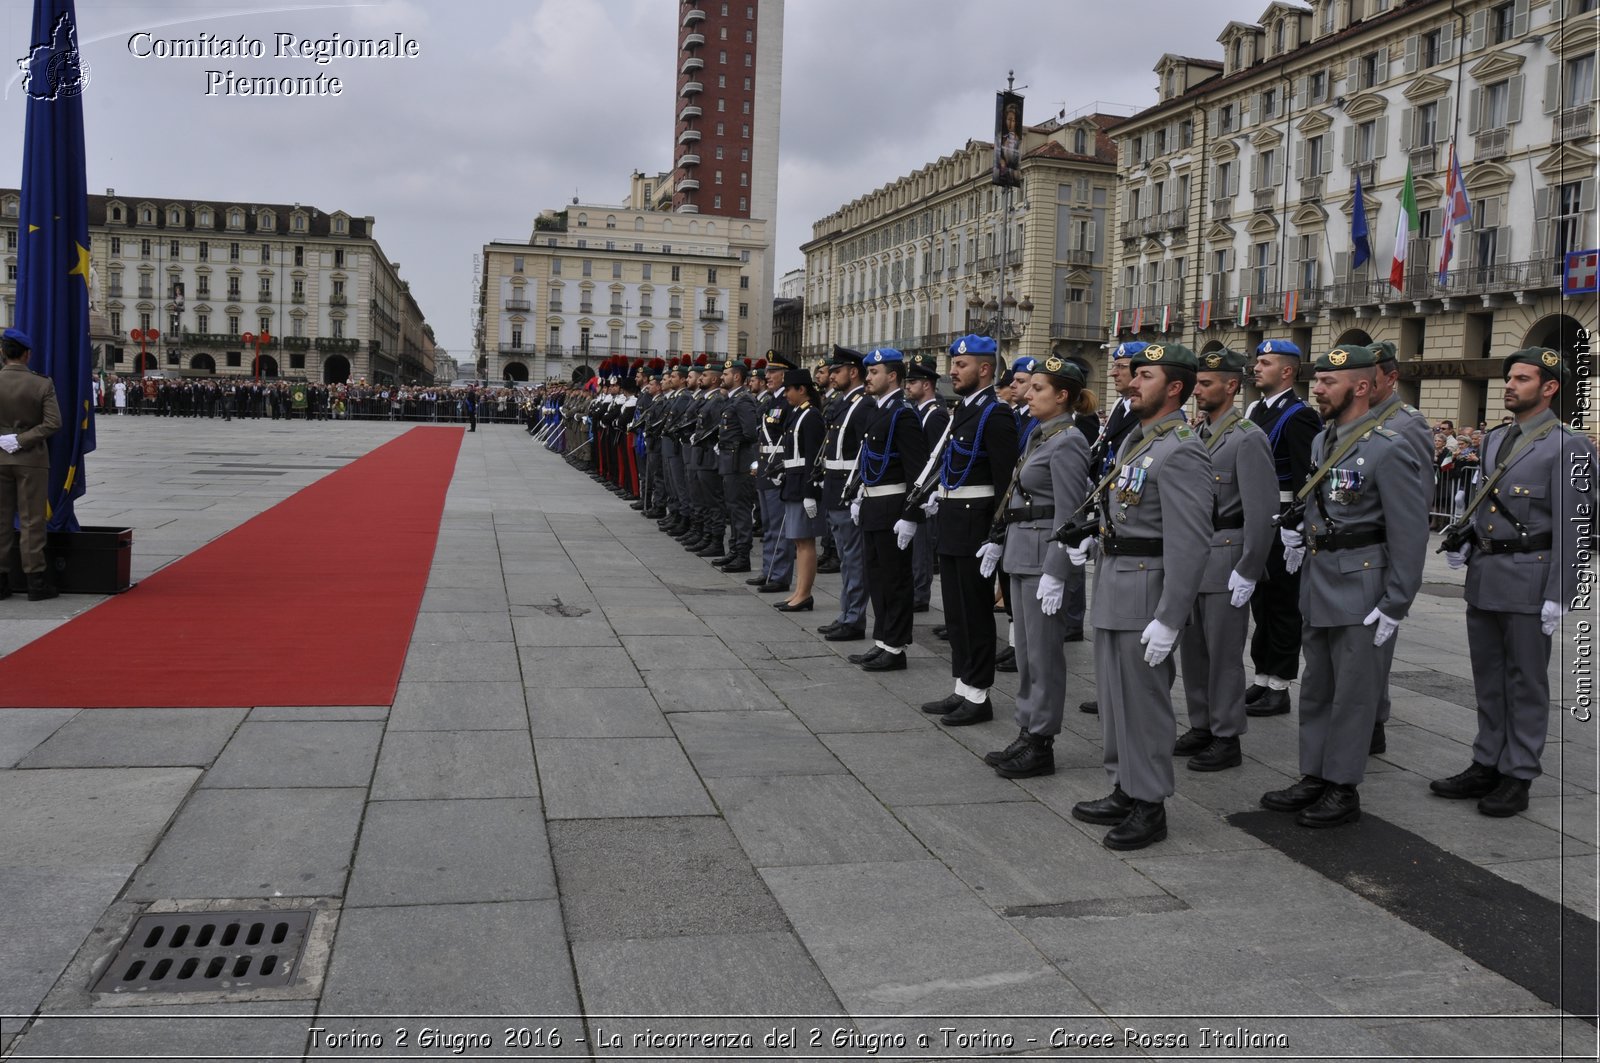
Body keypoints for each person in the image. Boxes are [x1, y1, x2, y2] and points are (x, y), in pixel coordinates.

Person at [1261, 343, 1427, 828]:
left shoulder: (1388, 447)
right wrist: (1298, 533)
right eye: (1315, 381)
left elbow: (1410, 532)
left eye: (1327, 382)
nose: (1316, 389)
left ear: (1359, 386)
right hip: (1320, 579)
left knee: (1354, 694)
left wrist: (1396, 602)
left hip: (1362, 585)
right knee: (1316, 688)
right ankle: (1313, 773)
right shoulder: (1324, 440)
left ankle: (1342, 786)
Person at [1433, 348, 1597, 816]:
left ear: (1549, 388)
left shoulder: (1569, 446)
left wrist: (1560, 595)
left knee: (1525, 682)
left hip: (1530, 578)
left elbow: (1576, 526)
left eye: (1522, 378)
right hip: (1486, 575)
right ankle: (1486, 761)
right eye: (1509, 377)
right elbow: (1489, 502)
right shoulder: (1495, 439)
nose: (1509, 384)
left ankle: (1519, 772)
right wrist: (1466, 539)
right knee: (1488, 678)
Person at [1065, 341, 1212, 851]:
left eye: (1144, 376)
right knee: (1115, 698)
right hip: (1115, 580)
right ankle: (1126, 786)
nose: (1130, 383)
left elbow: (1191, 543)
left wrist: (1171, 617)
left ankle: (1150, 804)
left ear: (1174, 387)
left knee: (1144, 703)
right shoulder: (1141, 441)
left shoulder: (1182, 449)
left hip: (1147, 590)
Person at [980, 355, 1091, 777]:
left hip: (1044, 557)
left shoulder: (1069, 442)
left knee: (1044, 657)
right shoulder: (1042, 437)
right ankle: (1027, 729)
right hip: (1022, 553)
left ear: (1062, 396)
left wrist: (1056, 572)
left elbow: (1069, 516)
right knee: (1026, 654)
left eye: (1038, 388)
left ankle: (1041, 741)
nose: (1028, 393)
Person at [1174, 348, 1277, 772]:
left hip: (1227, 556)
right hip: (1194, 557)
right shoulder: (1196, 434)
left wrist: (1249, 569)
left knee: (1224, 655)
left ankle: (1226, 734)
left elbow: (1262, 511)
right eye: (1197, 383)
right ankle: (1201, 722)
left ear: (1232, 385)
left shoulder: (1247, 437)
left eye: (1206, 384)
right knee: (1194, 653)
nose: (1198, 390)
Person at [918, 334, 1020, 726]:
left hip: (977, 525)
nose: (952, 371)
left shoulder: (996, 414)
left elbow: (1005, 481)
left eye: (961, 365)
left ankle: (979, 696)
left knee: (976, 613)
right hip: (954, 519)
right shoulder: (964, 410)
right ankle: (962, 686)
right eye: (953, 364)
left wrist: (997, 536)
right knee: (957, 613)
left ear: (985, 369)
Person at [1244, 339, 1322, 718]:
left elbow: (1309, 474)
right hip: (1257, 517)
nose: (1257, 367)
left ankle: (1280, 685)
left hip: (1282, 519)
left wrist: (1297, 525)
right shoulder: (1256, 409)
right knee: (1261, 602)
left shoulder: (1299, 415)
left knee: (1283, 604)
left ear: (1287, 371)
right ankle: (1261, 677)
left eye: (1266, 362)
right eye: (1258, 361)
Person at [1366, 340, 1435, 754]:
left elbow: (1417, 501)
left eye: (1368, 379)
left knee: (1374, 647)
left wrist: (1401, 570)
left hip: (1380, 554)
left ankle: (1373, 722)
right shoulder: (1351, 419)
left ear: (1391, 379)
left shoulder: (1407, 424)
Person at [845, 347, 928, 673]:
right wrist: (858, 497)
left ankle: (896, 647)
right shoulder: (876, 410)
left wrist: (910, 515)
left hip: (893, 509)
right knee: (876, 578)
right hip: (873, 505)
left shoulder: (903, 413)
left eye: (874, 372)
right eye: (868, 372)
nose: (868, 377)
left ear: (892, 376)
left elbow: (916, 469)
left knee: (895, 581)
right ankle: (882, 641)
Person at [1079, 341, 1144, 715]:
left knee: (1126, 624)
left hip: (1131, 527)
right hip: (1108, 519)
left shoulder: (1140, 413)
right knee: (1106, 618)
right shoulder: (1121, 408)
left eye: (1121, 366)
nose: (1113, 372)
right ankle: (1111, 691)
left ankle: (1125, 696)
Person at [0, 329, 63, 602]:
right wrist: (22, 439)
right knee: (32, 521)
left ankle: (1, 582)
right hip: (32, 459)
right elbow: (53, 423)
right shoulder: (42, 384)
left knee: (0, 520)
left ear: (3, 353)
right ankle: (36, 582)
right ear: (27, 354)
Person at [816, 345, 871, 643]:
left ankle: (854, 618)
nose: (832, 376)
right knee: (847, 557)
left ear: (853, 372)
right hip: (836, 488)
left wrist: (859, 491)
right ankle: (846, 613)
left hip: (850, 492)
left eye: (836, 371)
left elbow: (866, 453)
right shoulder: (844, 403)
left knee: (854, 558)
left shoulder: (862, 405)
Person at [776, 368, 826, 613]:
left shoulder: (812, 416)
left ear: (802, 389)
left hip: (801, 484)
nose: (785, 394)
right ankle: (798, 591)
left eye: (788, 389)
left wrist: (810, 491)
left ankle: (804, 594)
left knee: (805, 542)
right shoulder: (797, 414)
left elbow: (813, 459)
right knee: (798, 541)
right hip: (792, 482)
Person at [905, 352, 948, 613]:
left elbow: (936, 459)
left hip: (924, 491)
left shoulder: (935, 415)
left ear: (927, 385)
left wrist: (926, 493)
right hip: (913, 489)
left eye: (912, 382)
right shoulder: (916, 412)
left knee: (921, 545)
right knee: (912, 544)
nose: (907, 386)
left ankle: (920, 593)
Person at [751, 353, 796, 593]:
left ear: (785, 375)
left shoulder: (787, 403)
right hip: (765, 467)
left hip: (778, 469)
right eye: (767, 372)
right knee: (768, 523)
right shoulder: (771, 401)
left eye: (773, 372)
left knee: (778, 525)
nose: (767, 376)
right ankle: (768, 570)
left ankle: (779, 575)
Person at [713, 357, 761, 573]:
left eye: (726, 374)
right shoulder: (733, 399)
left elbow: (751, 433)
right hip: (729, 460)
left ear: (737, 377)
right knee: (732, 508)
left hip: (738, 461)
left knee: (740, 510)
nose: (722, 377)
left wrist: (729, 442)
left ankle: (743, 556)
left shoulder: (743, 400)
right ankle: (733, 551)